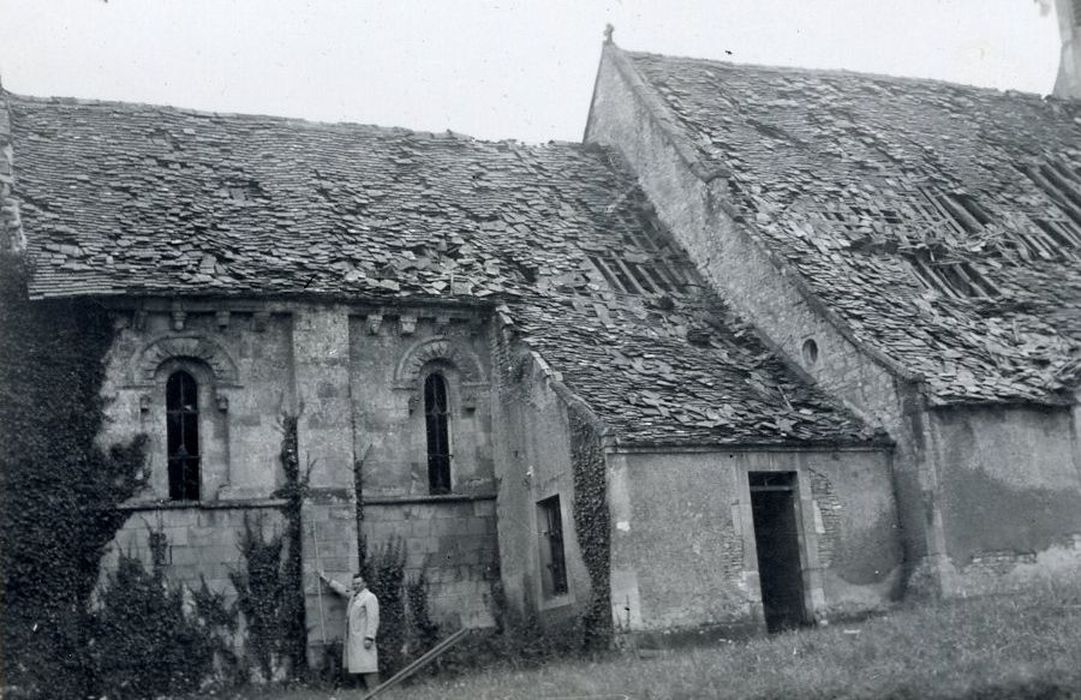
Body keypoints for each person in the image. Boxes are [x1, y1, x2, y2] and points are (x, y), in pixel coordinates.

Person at [319, 570, 380, 690]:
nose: (355, 586)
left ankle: (375, 692)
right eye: (354, 584)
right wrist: (328, 580)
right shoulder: (354, 596)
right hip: (355, 641)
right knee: (359, 669)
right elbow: (343, 589)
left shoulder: (369, 597)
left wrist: (369, 637)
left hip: (364, 639)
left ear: (365, 584)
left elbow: (373, 619)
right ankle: (364, 694)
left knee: (368, 667)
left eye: (358, 583)